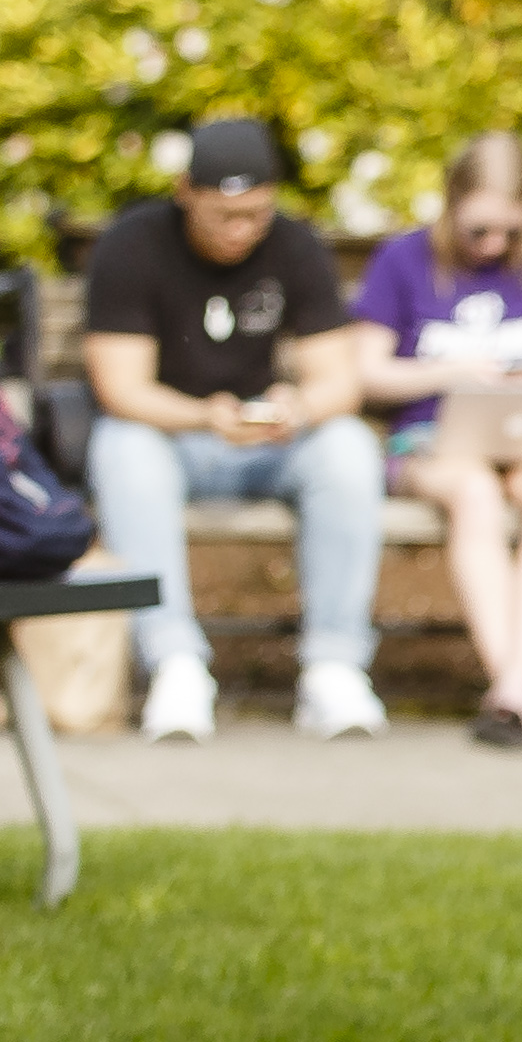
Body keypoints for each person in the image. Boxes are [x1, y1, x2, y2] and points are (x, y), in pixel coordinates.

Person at [85, 116, 388, 741]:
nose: (240, 229)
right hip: (173, 436)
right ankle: (175, 663)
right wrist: (205, 416)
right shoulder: (131, 245)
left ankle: (334, 667)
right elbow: (122, 390)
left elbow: (339, 381)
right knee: (124, 448)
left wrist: (295, 408)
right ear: (185, 192)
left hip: (269, 442)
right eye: (224, 214)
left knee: (349, 448)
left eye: (255, 212)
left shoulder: (296, 244)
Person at [345, 134, 522, 747]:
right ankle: (517, 688)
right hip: (433, 439)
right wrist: (452, 374)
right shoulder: (402, 260)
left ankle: (514, 688)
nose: (494, 247)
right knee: (475, 495)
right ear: (451, 205)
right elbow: (366, 372)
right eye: (479, 231)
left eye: (511, 233)